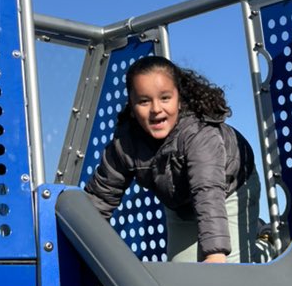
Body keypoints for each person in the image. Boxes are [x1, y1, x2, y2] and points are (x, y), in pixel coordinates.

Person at [84, 55, 261, 264]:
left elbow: (208, 191)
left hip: (230, 189)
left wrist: (215, 254)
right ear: (131, 106)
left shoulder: (198, 135)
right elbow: (100, 198)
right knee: (182, 274)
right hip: (181, 201)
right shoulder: (125, 144)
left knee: (226, 270)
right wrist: (79, 240)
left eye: (165, 98)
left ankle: (264, 245)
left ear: (179, 99)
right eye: (144, 101)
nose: (156, 109)